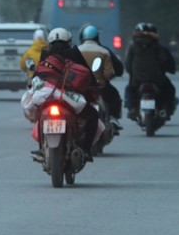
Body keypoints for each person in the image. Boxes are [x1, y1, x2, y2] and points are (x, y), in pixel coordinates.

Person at [33, 27, 100, 161]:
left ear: (50, 42)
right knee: (93, 116)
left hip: (49, 97)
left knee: (40, 114)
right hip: (71, 98)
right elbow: (87, 75)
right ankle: (86, 150)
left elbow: (37, 75)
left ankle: (41, 148)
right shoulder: (74, 52)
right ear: (68, 41)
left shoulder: (46, 54)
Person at [124, 22, 178, 120]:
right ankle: (164, 107)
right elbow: (165, 61)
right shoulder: (158, 47)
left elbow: (128, 65)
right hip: (157, 79)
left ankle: (133, 109)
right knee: (170, 89)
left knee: (129, 89)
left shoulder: (133, 47)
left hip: (137, 80)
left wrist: (132, 72)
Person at [77, 24, 124, 130]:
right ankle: (113, 118)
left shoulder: (76, 50)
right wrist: (102, 78)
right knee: (114, 95)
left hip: (80, 86)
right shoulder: (104, 51)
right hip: (100, 86)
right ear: (97, 37)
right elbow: (109, 72)